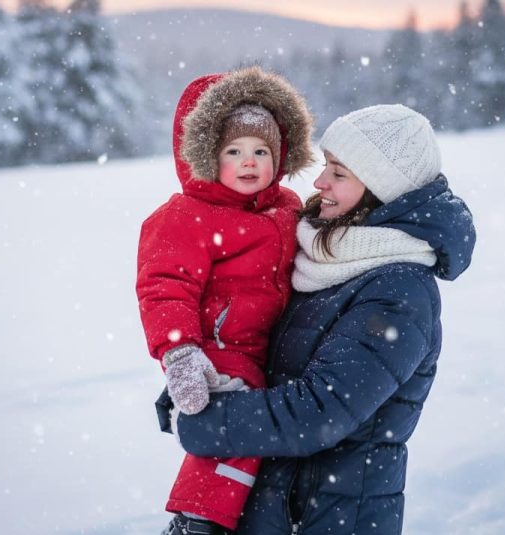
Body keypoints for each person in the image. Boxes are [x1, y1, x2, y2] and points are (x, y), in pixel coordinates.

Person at [160, 104, 476, 534]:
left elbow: (318, 412)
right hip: (275, 508)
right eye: (326, 165)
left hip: (327, 518)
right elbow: (269, 355)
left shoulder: (399, 291)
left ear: (380, 189)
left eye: (339, 173)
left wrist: (205, 421)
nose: (319, 182)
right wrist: (205, 378)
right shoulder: (322, 258)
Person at [136, 66, 313, 534]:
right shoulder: (185, 217)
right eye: (234, 151)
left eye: (261, 151)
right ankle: (198, 519)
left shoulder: (288, 206)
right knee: (238, 428)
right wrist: (180, 351)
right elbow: (164, 286)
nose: (250, 161)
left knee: (267, 431)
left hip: (268, 347)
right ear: (207, 157)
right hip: (217, 351)